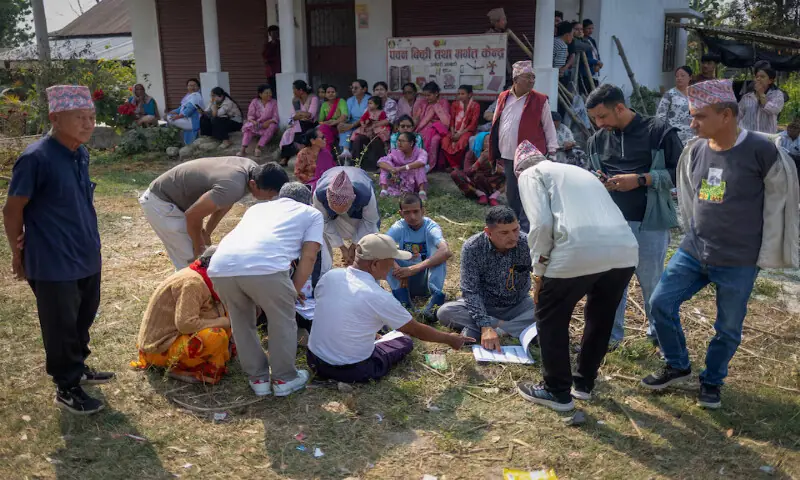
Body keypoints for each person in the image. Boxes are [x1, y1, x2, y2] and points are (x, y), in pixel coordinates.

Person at [641, 79, 799, 409]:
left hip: (739, 259)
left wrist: (769, 251)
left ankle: (712, 381)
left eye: (699, 116)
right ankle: (678, 364)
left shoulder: (762, 151)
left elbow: (781, 203)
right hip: (694, 250)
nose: (691, 123)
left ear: (726, 115)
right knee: (660, 304)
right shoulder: (695, 149)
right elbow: (691, 194)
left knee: (727, 327)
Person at [3, 85, 113, 415]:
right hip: (52, 259)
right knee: (60, 324)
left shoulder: (79, 152)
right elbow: (12, 210)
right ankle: (66, 387)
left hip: (84, 251)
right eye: (80, 117)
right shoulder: (36, 158)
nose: (88, 124)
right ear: (55, 118)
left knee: (84, 314)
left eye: (91, 117)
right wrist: (17, 251)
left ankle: (78, 367)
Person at [514, 140, 638, 411]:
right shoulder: (576, 171)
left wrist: (539, 272)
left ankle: (556, 391)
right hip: (624, 250)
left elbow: (541, 225)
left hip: (577, 247)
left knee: (550, 315)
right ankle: (583, 384)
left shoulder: (528, 174)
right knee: (601, 316)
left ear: (519, 169)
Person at [586, 84, 682, 348]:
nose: (599, 123)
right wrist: (599, 181)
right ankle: (610, 336)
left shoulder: (658, 132)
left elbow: (681, 171)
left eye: (602, 116)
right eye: (594, 118)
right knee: (611, 282)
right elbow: (591, 172)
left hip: (649, 221)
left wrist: (641, 180)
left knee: (652, 282)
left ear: (620, 107)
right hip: (611, 223)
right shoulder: (598, 139)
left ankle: (660, 336)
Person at [208, 179, 322, 397]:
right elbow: (309, 256)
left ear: (279, 197)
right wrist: (293, 290)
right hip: (265, 268)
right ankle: (284, 378)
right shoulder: (311, 213)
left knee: (241, 321)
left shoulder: (257, 208)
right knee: (282, 319)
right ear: (307, 200)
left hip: (220, 266)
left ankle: (258, 379)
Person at [306, 234, 472, 383]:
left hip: (314, 360)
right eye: (391, 260)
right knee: (404, 340)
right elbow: (416, 330)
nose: (394, 265)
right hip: (352, 370)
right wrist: (450, 339)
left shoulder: (330, 276)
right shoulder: (377, 296)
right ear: (376, 264)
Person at [139, 158, 285, 269]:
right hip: (161, 202)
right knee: (191, 260)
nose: (270, 199)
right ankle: (187, 301)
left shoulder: (252, 169)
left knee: (199, 257)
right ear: (253, 184)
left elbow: (226, 202)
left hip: (175, 200)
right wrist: (199, 247)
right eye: (270, 194)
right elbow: (192, 215)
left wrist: (207, 233)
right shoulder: (234, 185)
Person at [437, 206, 535, 351]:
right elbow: (470, 291)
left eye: (515, 230)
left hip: (517, 305)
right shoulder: (473, 248)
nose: (513, 236)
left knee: (547, 312)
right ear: (488, 232)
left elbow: (542, 274)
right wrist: (485, 324)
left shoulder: (526, 243)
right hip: (484, 305)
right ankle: (510, 329)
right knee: (445, 312)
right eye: (504, 232)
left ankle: (498, 330)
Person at [131, 246, 232, 384]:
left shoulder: (203, 277)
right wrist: (223, 322)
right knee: (215, 335)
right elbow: (186, 324)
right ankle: (179, 369)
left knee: (233, 315)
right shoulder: (192, 283)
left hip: (177, 335)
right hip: (160, 347)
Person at [490, 60, 559, 231]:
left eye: (533, 77)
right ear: (516, 79)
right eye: (528, 77)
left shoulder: (540, 100)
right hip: (507, 154)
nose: (532, 80)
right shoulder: (503, 97)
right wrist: (494, 147)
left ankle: (527, 229)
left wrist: (552, 150)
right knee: (512, 193)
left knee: (528, 192)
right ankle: (514, 227)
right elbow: (496, 121)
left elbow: (549, 126)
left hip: (529, 157)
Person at [386, 194, 451, 320]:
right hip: (403, 280)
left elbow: (446, 251)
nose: (412, 217)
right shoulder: (399, 227)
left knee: (439, 256)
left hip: (425, 279)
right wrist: (399, 269)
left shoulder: (430, 226)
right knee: (385, 257)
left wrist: (413, 269)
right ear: (401, 214)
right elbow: (381, 247)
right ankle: (403, 302)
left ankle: (434, 303)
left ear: (423, 211)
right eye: (407, 213)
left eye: (416, 211)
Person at [313, 167, 380, 266]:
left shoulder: (366, 195)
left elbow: (370, 221)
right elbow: (323, 221)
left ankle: (366, 267)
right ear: (327, 199)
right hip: (332, 217)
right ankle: (324, 267)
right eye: (335, 208)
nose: (340, 212)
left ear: (353, 199)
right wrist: (342, 247)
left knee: (372, 232)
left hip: (358, 215)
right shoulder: (319, 194)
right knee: (318, 229)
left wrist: (354, 245)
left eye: (343, 208)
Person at [451, 132, 505, 206]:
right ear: (480, 142)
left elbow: (504, 172)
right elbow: (467, 172)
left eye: (491, 141)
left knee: (512, 177)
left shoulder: (496, 155)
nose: (489, 144)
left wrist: (493, 164)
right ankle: (481, 195)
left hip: (490, 184)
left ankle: (493, 197)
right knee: (455, 174)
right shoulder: (471, 153)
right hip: (475, 185)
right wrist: (480, 160)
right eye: (486, 141)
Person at [279, 80, 320, 165]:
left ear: (300, 90)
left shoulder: (313, 99)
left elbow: (310, 115)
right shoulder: (295, 101)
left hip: (311, 125)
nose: (293, 91)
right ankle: (285, 157)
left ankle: (286, 158)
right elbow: (290, 119)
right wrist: (297, 117)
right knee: (287, 133)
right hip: (298, 125)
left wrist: (298, 116)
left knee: (297, 131)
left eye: (294, 89)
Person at [378, 132, 429, 199]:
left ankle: (422, 192)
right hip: (398, 179)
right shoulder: (395, 152)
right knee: (386, 165)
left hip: (414, 180)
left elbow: (421, 162)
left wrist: (401, 168)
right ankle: (384, 190)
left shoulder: (421, 152)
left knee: (418, 166)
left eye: (403, 141)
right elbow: (380, 162)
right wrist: (391, 169)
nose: (399, 143)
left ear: (411, 143)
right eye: (398, 140)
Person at [442, 85, 480, 170]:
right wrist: (452, 132)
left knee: (462, 141)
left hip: (468, 130)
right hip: (454, 130)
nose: (460, 96)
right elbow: (451, 120)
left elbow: (473, 124)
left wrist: (460, 134)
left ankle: (457, 165)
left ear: (470, 94)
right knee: (445, 141)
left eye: (463, 94)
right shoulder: (455, 104)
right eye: (458, 94)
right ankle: (453, 165)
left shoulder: (475, 106)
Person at [414, 81, 450, 170]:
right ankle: (418, 163)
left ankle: (430, 165)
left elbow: (445, 121)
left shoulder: (443, 102)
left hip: (438, 130)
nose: (426, 98)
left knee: (434, 140)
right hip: (423, 127)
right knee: (418, 137)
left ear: (436, 93)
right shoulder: (423, 103)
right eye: (425, 95)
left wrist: (433, 122)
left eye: (429, 95)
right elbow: (417, 117)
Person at [738, 64, 784, 134]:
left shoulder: (777, 94)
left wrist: (761, 94)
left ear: (770, 81)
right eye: (757, 77)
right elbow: (738, 116)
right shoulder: (747, 97)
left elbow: (774, 110)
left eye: (762, 77)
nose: (758, 79)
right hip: (748, 137)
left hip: (767, 138)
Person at [656, 66, 695, 145]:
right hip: (674, 136)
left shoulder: (695, 95)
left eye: (682, 75)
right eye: (677, 76)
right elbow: (660, 115)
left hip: (692, 137)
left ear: (690, 77)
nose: (679, 78)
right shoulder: (670, 94)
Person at [238, 84, 279, 158]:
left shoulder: (274, 102)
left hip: (268, 124)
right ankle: (243, 149)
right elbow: (250, 115)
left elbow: (275, 116)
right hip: (257, 123)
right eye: (266, 93)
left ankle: (258, 147)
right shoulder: (254, 102)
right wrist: (254, 122)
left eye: (270, 92)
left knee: (272, 126)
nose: (269, 94)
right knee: (248, 127)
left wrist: (269, 122)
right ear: (260, 94)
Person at [338, 79, 372, 160]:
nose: (353, 90)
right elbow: (347, 115)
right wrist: (342, 123)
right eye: (352, 88)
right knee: (344, 129)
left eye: (356, 88)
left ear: (364, 89)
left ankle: (348, 155)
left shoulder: (370, 100)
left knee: (350, 129)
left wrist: (351, 125)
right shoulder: (350, 100)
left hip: (365, 123)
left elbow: (366, 116)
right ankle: (345, 151)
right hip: (352, 122)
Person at [167, 78, 203, 144]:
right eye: (190, 85)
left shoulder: (196, 96)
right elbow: (181, 108)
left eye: (194, 85)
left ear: (198, 87)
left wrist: (177, 117)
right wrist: (171, 112)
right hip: (187, 119)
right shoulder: (189, 96)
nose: (192, 87)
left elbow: (189, 110)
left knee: (169, 118)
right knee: (169, 116)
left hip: (193, 122)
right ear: (187, 87)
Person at [318, 84, 348, 153]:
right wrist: (326, 123)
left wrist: (335, 122)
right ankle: (328, 150)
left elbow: (344, 115)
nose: (331, 94)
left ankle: (328, 150)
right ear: (325, 94)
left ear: (336, 93)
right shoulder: (324, 105)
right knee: (323, 127)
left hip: (340, 126)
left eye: (333, 92)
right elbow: (320, 121)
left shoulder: (341, 101)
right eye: (328, 92)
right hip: (329, 127)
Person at [486, 8, 514, 78]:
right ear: (496, 22)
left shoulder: (503, 34)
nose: (505, 22)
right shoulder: (489, 35)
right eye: (503, 20)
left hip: (506, 70)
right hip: (495, 70)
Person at [262, 25, 281, 94]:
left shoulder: (281, 44)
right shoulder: (268, 45)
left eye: (277, 33)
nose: (275, 35)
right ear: (270, 34)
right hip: (271, 72)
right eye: (273, 33)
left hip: (280, 71)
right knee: (272, 91)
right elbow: (265, 56)